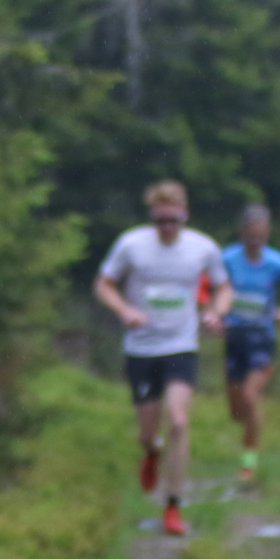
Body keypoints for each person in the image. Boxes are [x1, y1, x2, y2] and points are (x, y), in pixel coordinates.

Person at [94, 181, 229, 535]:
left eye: (173, 220)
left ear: (184, 215)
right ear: (152, 219)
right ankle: (151, 452)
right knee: (147, 432)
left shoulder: (203, 248)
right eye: (160, 221)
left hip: (181, 345)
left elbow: (223, 287)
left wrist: (216, 312)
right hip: (140, 347)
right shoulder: (131, 244)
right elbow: (104, 284)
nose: (166, 227)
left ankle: (172, 505)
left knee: (180, 421)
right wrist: (124, 310)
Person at [219, 205, 280, 481]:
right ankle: (250, 432)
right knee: (236, 410)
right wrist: (210, 311)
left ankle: (248, 463)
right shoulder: (227, 259)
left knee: (250, 396)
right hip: (233, 337)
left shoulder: (278, 263)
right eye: (250, 235)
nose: (255, 240)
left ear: (267, 233)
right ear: (241, 233)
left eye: (260, 235)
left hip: (262, 339)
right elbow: (206, 286)